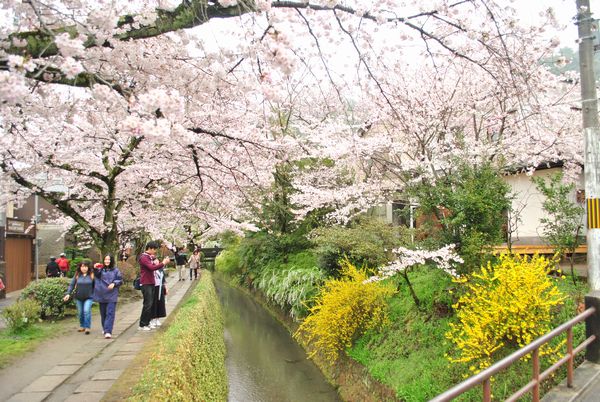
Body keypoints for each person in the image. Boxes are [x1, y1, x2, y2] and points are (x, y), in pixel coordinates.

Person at [139, 241, 169, 331]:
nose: (155, 251)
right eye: (154, 249)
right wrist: (163, 263)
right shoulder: (144, 257)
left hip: (151, 282)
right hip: (146, 283)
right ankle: (143, 324)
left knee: (150, 304)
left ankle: (146, 323)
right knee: (147, 304)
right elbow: (151, 268)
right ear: (150, 248)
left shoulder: (148, 257)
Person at [93, 255, 123, 339]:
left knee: (110, 313)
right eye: (105, 259)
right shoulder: (100, 270)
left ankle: (108, 331)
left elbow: (120, 280)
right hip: (101, 294)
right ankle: (105, 327)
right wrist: (95, 268)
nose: (107, 261)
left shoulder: (116, 270)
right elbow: (96, 275)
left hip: (112, 294)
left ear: (112, 260)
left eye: (109, 259)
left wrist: (114, 283)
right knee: (103, 314)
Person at [63, 260, 95, 334]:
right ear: (80, 267)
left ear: (88, 267)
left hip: (89, 297)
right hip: (78, 297)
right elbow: (71, 285)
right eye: (82, 267)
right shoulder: (77, 275)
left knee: (86, 311)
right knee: (80, 313)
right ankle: (82, 325)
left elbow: (96, 286)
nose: (84, 268)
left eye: (85, 267)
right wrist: (68, 294)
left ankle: (87, 327)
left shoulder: (92, 275)